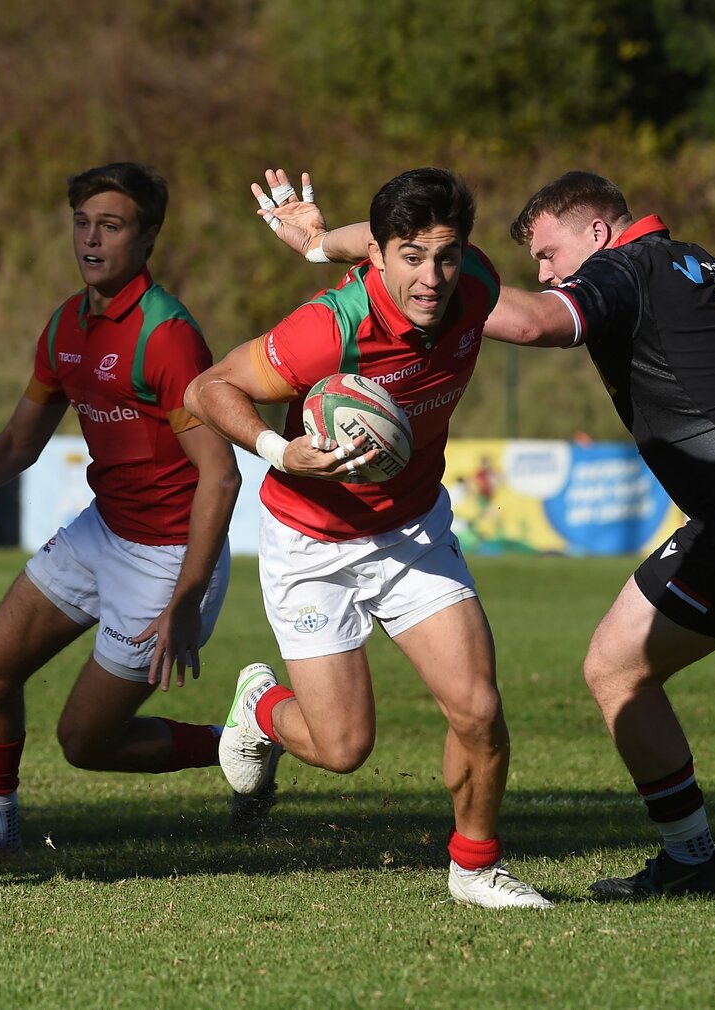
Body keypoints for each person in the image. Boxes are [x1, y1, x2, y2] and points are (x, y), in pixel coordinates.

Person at [263, 168, 715, 898]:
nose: (544, 272)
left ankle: (690, 859)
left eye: (548, 253)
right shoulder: (701, 265)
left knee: (614, 668)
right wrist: (323, 245)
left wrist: (438, 295)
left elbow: (536, 321)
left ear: (596, 233)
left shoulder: (622, 270)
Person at [183, 168, 552, 910]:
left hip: (412, 530)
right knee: (343, 748)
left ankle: (474, 870)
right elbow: (206, 389)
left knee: (478, 708)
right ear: (380, 259)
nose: (432, 277)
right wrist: (282, 452)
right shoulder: (328, 329)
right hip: (311, 544)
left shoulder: (471, 282)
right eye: (411, 257)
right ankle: (259, 707)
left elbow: (389, 242)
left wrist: (319, 242)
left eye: (445, 255)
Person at [0, 162, 248, 858]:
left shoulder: (167, 337)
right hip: (102, 533)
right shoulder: (68, 322)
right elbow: (18, 441)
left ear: (148, 236)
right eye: (82, 223)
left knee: (85, 742)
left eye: (112, 224)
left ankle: (238, 745)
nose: (91, 239)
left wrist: (186, 599)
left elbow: (219, 478)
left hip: (167, 558)